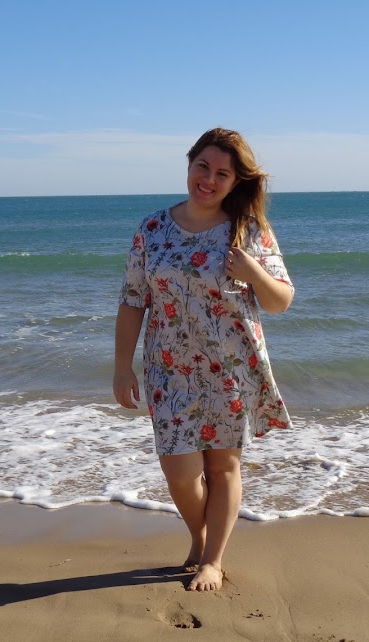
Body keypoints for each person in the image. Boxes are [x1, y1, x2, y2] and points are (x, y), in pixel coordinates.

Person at [113, 128, 294, 592]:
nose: (209, 180)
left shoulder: (248, 231)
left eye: (222, 174)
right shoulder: (152, 229)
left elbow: (280, 301)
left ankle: (212, 559)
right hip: (168, 369)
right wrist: (122, 366)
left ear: (235, 182)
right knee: (179, 473)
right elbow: (133, 300)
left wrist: (253, 272)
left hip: (230, 368)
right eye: (203, 167)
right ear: (189, 163)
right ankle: (200, 536)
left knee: (223, 467)